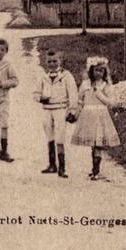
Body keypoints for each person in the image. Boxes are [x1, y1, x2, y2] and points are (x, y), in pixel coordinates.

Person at [71, 57, 121, 180]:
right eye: (96, 70)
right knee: (93, 144)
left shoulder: (105, 85)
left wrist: (99, 94)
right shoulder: (85, 84)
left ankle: (96, 170)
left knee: (98, 143)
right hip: (88, 116)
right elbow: (80, 100)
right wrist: (76, 113)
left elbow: (111, 102)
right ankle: (94, 169)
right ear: (91, 71)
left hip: (100, 116)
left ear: (105, 72)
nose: (99, 73)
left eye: (101, 71)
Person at [32, 50, 79, 178]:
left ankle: (62, 168)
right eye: (49, 61)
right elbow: (35, 93)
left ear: (60, 61)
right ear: (45, 62)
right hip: (47, 109)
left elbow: (73, 93)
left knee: (60, 136)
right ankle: (52, 164)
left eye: (54, 61)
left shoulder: (66, 76)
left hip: (60, 108)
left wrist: (72, 109)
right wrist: (41, 98)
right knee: (49, 135)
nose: (52, 64)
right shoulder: (43, 77)